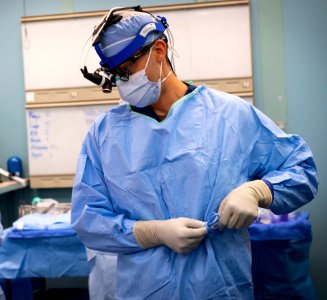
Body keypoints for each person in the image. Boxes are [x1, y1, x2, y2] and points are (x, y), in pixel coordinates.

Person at [71, 6, 318, 300]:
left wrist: (259, 190)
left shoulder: (228, 115)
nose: (122, 85)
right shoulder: (104, 135)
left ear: (158, 50)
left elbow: (302, 170)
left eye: (126, 72)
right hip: (144, 290)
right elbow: (88, 220)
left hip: (220, 287)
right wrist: (152, 231)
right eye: (116, 77)